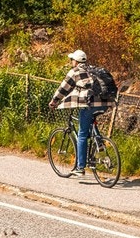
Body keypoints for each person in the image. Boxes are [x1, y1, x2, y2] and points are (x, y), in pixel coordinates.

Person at [48, 49, 113, 177]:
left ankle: (80, 167)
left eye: (72, 60)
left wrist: (54, 101)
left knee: (82, 135)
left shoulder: (75, 72)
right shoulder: (93, 70)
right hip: (105, 104)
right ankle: (99, 144)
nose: (71, 62)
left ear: (76, 61)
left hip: (89, 104)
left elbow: (64, 88)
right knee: (90, 122)